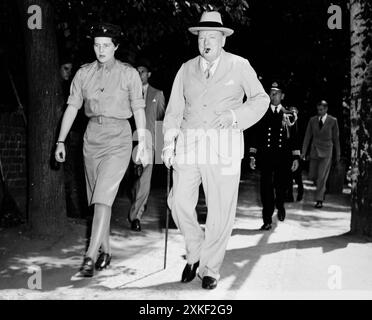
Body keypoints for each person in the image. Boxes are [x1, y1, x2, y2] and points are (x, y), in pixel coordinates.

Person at [162, 11, 269, 290]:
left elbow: (261, 99)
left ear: (223, 40)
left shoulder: (240, 65)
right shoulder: (186, 69)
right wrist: (168, 143)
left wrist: (235, 116)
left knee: (220, 212)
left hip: (224, 148)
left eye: (211, 37)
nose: (205, 42)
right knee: (178, 202)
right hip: (189, 146)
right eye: (201, 37)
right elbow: (174, 110)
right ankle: (195, 249)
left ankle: (209, 268)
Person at [55, 23, 148, 277]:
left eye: (106, 45)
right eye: (97, 45)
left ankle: (89, 257)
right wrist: (60, 141)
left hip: (119, 139)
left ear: (116, 46)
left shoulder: (128, 74)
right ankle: (106, 250)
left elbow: (138, 108)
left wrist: (142, 141)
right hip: (92, 139)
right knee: (97, 201)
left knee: (103, 197)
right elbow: (72, 107)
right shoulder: (84, 74)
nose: (101, 49)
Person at [249, 82, 300, 230]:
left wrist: (295, 157)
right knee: (265, 189)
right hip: (266, 157)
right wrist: (252, 155)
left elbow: (295, 138)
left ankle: (280, 204)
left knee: (281, 187)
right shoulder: (262, 113)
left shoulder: (289, 114)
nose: (273, 95)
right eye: (271, 92)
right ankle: (267, 220)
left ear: (282, 96)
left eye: (276, 93)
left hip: (283, 158)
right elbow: (255, 136)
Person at [128, 62, 165, 231]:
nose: (139, 74)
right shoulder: (127, 92)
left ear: (148, 74)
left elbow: (161, 121)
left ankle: (136, 216)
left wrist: (160, 148)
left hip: (149, 144)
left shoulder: (158, 94)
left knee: (144, 180)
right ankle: (138, 201)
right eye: (137, 71)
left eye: (142, 71)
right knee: (133, 181)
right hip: (128, 142)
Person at [301, 100, 340, 208]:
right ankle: (321, 190)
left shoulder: (333, 121)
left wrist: (338, 155)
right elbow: (307, 136)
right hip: (314, 151)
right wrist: (303, 152)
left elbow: (336, 139)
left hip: (327, 152)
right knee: (313, 176)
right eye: (318, 110)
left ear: (326, 109)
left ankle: (319, 199)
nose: (319, 111)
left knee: (321, 177)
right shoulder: (312, 120)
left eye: (321, 109)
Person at [285, 106, 304, 202]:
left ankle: (300, 193)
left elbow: (300, 139)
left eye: (294, 111)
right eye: (291, 111)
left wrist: (302, 153)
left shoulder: (299, 123)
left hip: (298, 152)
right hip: (288, 152)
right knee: (289, 174)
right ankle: (289, 195)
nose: (292, 113)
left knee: (298, 176)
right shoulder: (288, 122)